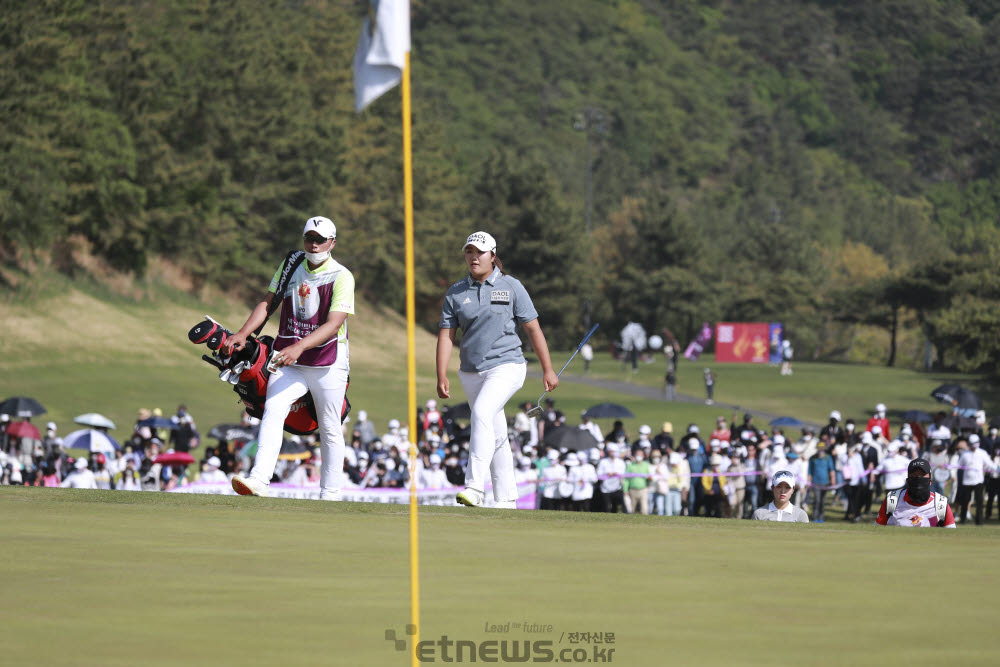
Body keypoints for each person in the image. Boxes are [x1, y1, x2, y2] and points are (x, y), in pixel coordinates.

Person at [224, 216, 355, 500]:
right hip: (289, 357)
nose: (314, 244)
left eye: (321, 240)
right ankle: (259, 480)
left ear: (332, 243)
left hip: (327, 361)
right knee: (273, 408)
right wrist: (244, 333)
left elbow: (333, 324)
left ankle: (330, 494)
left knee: (330, 425)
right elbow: (269, 301)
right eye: (310, 238)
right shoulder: (292, 263)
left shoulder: (342, 276)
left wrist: (300, 347)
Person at [436, 231, 559, 509]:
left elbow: (533, 329)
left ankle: (474, 487)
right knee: (495, 430)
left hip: (508, 366)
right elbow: (447, 335)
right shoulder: (456, 292)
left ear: (493, 255)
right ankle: (506, 499)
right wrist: (441, 374)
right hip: (470, 371)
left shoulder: (511, 286)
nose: (474, 257)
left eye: (480, 252)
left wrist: (548, 369)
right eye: (469, 252)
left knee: (481, 413)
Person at [876, 459, 955, 528]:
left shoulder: (941, 503)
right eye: (914, 475)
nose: (918, 478)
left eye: (922, 474)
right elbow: (878, 529)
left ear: (930, 481)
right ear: (907, 480)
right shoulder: (892, 500)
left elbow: (951, 535)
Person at [956, 434, 998, 525]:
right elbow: (959, 465)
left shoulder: (982, 453)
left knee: (979, 501)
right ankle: (963, 520)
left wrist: (997, 469)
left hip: (978, 480)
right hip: (967, 481)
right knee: (965, 501)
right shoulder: (965, 454)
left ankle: (979, 521)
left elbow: (989, 463)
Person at [807, 445, 836, 523]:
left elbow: (832, 469)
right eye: (819, 449)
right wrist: (809, 482)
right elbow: (810, 471)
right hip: (815, 483)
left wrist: (833, 479)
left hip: (825, 483)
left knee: (822, 500)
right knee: (817, 500)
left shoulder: (828, 458)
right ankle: (815, 516)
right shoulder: (813, 458)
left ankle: (821, 517)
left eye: (822, 449)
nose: (820, 451)